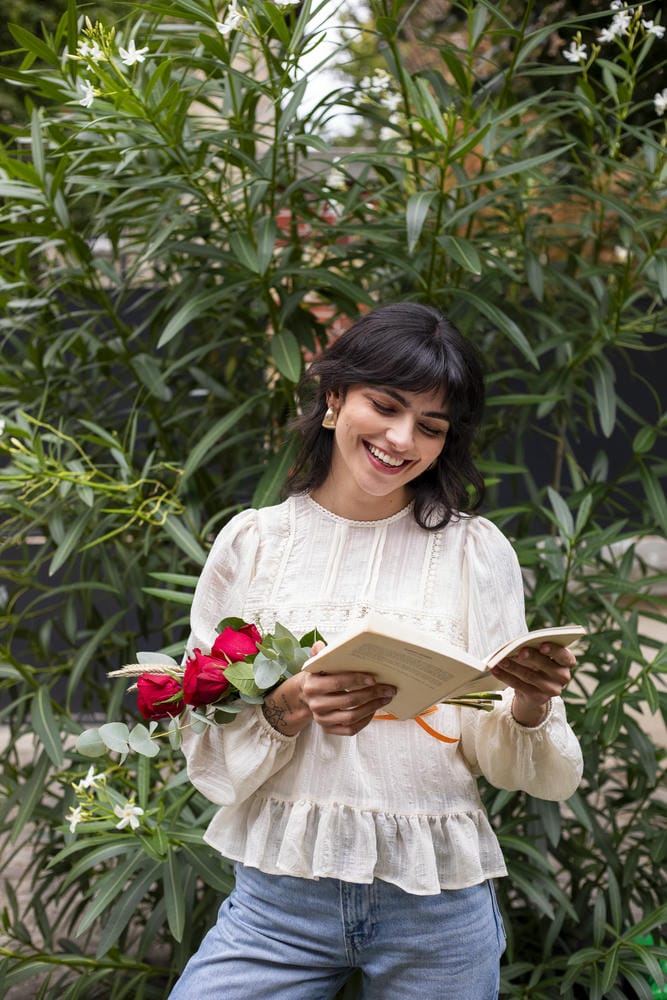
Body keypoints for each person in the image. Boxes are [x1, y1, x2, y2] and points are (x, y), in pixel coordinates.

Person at [168, 303, 583, 1000]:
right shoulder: (254, 543)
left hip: (437, 901)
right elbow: (202, 741)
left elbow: (503, 757)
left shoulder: (473, 551)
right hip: (279, 900)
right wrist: (288, 703)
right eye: (384, 406)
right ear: (334, 397)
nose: (400, 439)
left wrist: (532, 701)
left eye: (429, 426)